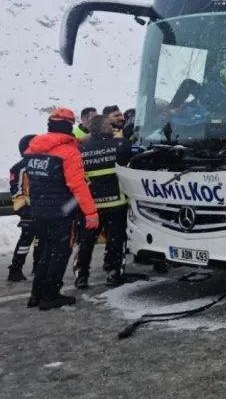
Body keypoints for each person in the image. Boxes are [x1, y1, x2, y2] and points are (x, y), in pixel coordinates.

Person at [24, 108, 99, 310]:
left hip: (38, 209)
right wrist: (91, 213)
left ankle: (36, 294)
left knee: (46, 251)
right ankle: (50, 295)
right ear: (69, 126)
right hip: (61, 210)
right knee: (60, 252)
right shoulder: (68, 152)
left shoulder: (33, 149)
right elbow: (78, 185)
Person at [74, 115, 133, 288]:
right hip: (116, 203)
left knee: (85, 241)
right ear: (104, 128)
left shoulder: (81, 149)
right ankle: (113, 273)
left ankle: (81, 275)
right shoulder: (120, 145)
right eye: (108, 124)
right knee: (116, 240)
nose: (112, 127)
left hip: (90, 206)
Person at [8, 134, 41, 282]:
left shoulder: (42, 164)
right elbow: (17, 191)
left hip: (42, 210)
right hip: (28, 210)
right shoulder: (20, 168)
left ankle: (39, 266)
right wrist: (23, 212)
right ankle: (16, 269)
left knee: (42, 239)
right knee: (26, 240)